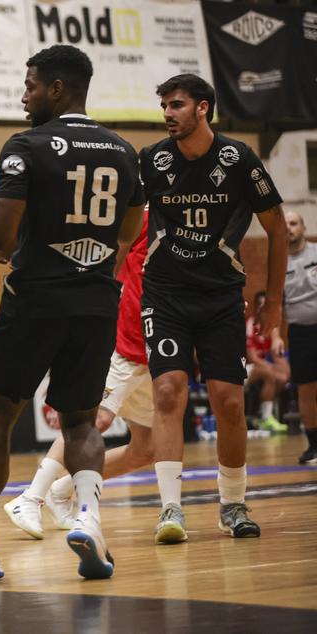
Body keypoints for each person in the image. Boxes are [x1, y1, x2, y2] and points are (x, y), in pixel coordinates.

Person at [0, 45, 145, 582]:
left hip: (35, 297)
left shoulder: (26, 145)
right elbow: (128, 235)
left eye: (30, 85)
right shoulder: (125, 151)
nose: (23, 95)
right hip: (98, 299)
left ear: (56, 89)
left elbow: (0, 231)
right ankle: (89, 518)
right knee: (81, 420)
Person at [139, 74, 286, 544]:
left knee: (228, 400)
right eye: (163, 105)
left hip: (222, 295)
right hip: (164, 294)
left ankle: (232, 503)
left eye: (176, 104)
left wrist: (274, 302)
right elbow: (124, 222)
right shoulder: (152, 161)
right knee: (168, 392)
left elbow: (278, 229)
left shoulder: (237, 158)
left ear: (203, 108)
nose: (167, 113)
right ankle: (169, 510)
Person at [4, 210, 157, 538]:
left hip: (159, 346)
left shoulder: (189, 218)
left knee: (148, 448)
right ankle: (31, 497)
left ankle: (62, 489)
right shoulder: (140, 217)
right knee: (92, 419)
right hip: (127, 338)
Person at [284, 212, 317, 464]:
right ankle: (313, 446)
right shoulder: (278, 262)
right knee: (305, 391)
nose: (289, 228)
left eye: (294, 223)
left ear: (304, 227)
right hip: (299, 333)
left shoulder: (315, 253)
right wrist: (275, 336)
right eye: (284, 225)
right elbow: (275, 304)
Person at [246, 291, 289, 433]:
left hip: (261, 367)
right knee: (269, 373)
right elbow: (252, 358)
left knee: (283, 377)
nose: (262, 308)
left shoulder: (269, 327)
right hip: (244, 368)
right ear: (256, 307)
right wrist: (272, 368)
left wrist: (283, 368)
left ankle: (262, 412)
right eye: (260, 305)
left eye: (266, 305)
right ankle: (265, 418)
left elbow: (277, 355)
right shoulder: (250, 323)